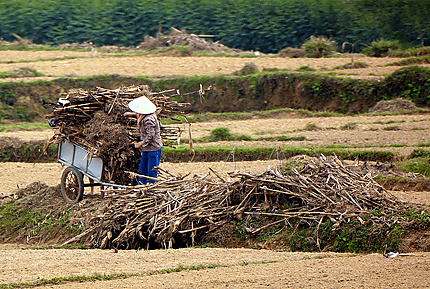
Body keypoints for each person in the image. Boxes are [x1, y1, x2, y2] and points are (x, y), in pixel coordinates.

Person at [125, 96, 162, 185]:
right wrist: (131, 114)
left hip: (153, 149)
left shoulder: (148, 120)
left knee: (151, 172)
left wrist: (140, 143)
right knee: (142, 171)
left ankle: (151, 191)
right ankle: (141, 188)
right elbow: (141, 114)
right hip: (147, 149)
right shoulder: (146, 115)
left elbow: (151, 135)